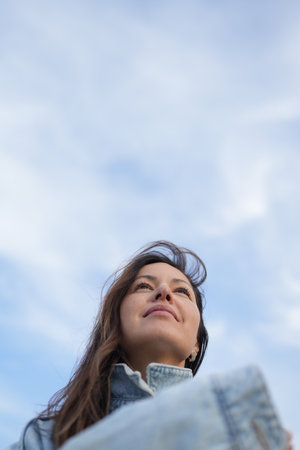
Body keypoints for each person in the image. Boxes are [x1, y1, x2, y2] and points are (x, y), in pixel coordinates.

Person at [7, 241, 293, 450]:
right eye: (143, 286)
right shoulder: (47, 437)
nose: (164, 292)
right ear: (116, 326)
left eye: (182, 291)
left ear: (195, 344)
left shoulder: (253, 436)